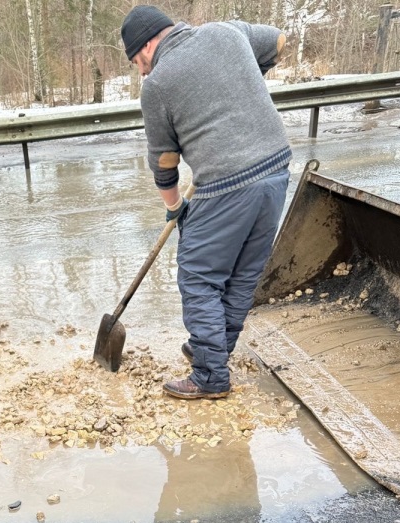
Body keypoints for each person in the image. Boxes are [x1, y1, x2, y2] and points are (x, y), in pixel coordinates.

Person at [121, 6, 291, 400]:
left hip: (228, 183)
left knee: (199, 276)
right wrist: (241, 82)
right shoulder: (227, 33)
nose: (142, 71)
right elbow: (279, 41)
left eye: (137, 61)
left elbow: (164, 161)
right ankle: (211, 350)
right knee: (242, 275)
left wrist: (175, 206)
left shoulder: (158, 84)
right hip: (277, 169)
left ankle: (211, 376)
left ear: (148, 43)